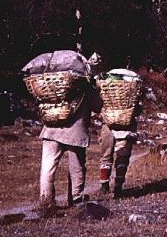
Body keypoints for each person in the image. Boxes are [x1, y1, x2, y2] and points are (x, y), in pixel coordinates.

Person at [38, 80, 102, 211]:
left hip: (51, 130)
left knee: (48, 168)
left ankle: (46, 200)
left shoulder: (53, 84)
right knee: (76, 166)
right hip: (75, 132)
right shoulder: (86, 87)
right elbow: (98, 106)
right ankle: (76, 198)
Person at [98, 100, 142, 198]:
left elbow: (97, 106)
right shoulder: (133, 91)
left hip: (107, 124)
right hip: (127, 124)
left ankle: (104, 186)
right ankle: (118, 186)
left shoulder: (105, 89)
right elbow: (138, 110)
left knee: (106, 155)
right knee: (123, 156)